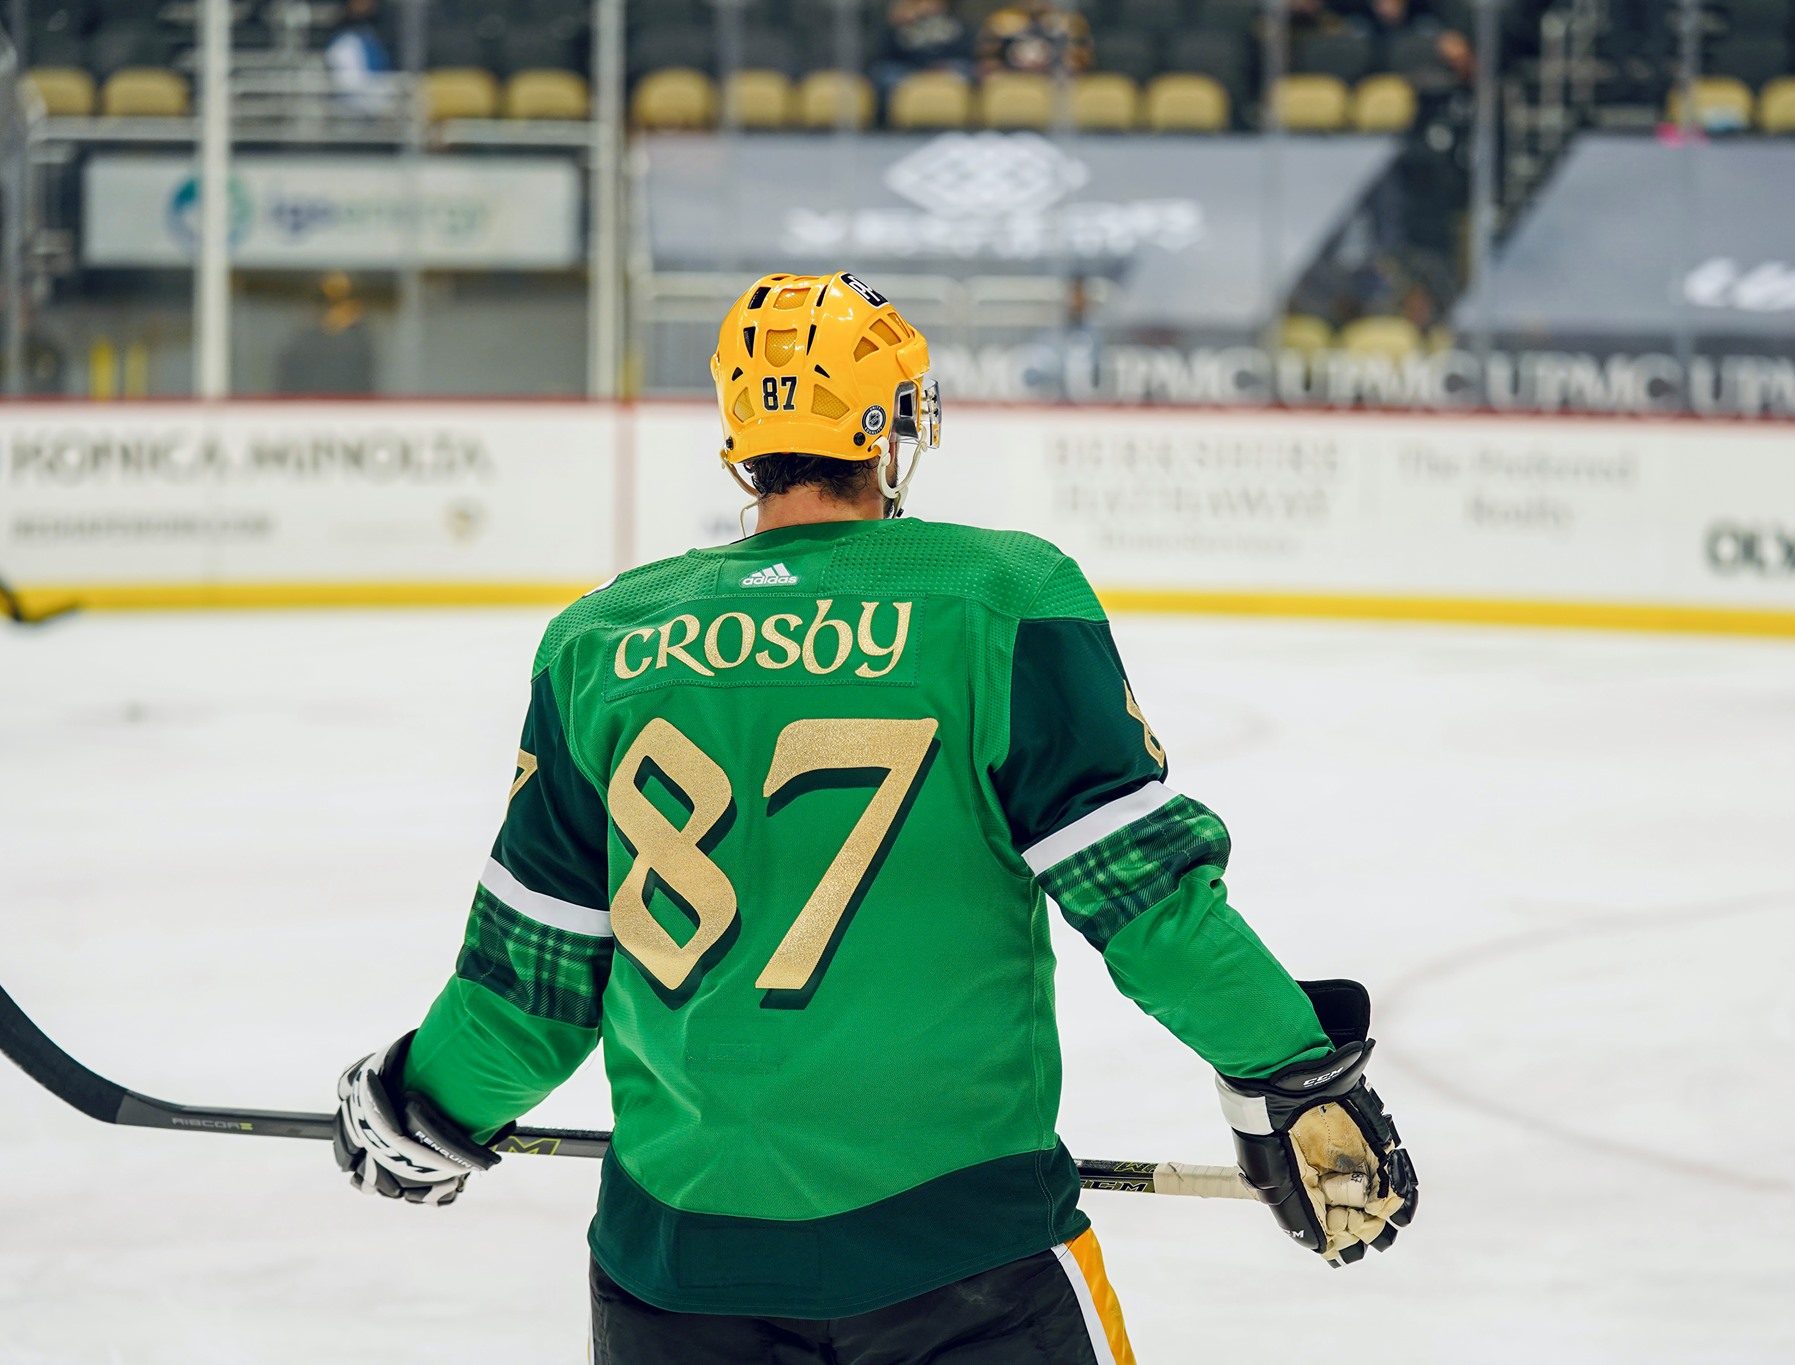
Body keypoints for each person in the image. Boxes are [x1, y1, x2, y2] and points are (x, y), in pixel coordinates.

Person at [331, 271, 1418, 1363]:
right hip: (960, 1261)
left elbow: (530, 992)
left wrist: (423, 1102)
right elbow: (1147, 910)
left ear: (742, 437)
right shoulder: (999, 598)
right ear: (886, 431)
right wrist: (1283, 1071)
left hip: (675, 1276)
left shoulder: (599, 642)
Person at [274, 272, 375, 395]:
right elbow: (288, 386)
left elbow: (363, 386)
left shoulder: (360, 342)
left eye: (346, 302)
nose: (342, 311)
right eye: (333, 304)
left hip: (351, 410)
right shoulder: (301, 343)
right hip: (305, 409)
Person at [871, 0, 976, 101]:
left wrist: (941, 65)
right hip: (910, 70)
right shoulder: (900, 24)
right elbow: (884, 57)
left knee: (971, 71)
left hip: (948, 67)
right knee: (884, 74)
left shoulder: (957, 23)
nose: (926, 5)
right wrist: (895, 26)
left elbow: (967, 52)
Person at [978, 0, 1092, 78]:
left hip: (1054, 86)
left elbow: (1081, 66)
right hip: (1014, 82)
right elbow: (987, 66)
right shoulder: (1000, 21)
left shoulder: (1069, 22)